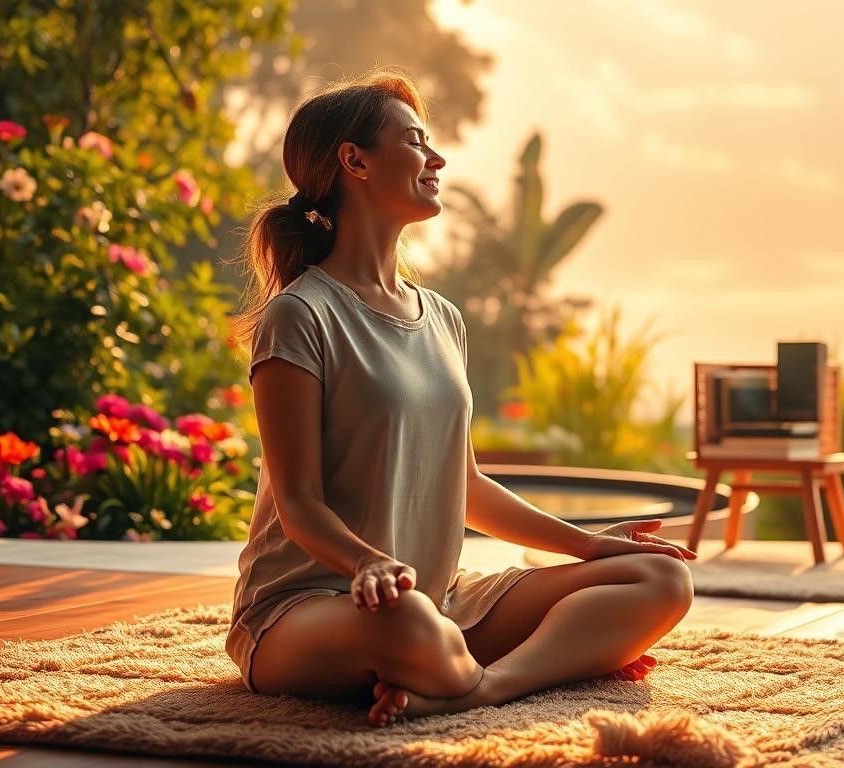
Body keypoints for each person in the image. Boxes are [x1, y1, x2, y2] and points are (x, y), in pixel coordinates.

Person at [224, 68, 696, 727]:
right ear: (354, 161)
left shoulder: (442, 318)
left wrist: (588, 546)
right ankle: (478, 668)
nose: (437, 158)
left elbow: (465, 483)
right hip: (305, 610)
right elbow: (299, 504)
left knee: (661, 580)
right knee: (412, 624)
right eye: (416, 140)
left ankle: (478, 688)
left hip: (439, 600)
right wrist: (367, 563)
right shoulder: (300, 317)